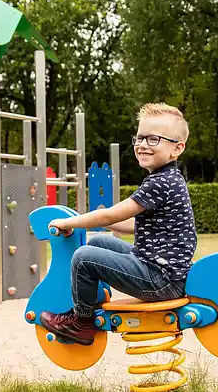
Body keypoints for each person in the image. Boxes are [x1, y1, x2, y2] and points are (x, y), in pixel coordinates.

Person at [40, 103, 197, 346]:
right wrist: (95, 221)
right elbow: (140, 225)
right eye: (140, 137)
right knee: (101, 241)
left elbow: (110, 217)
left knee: (84, 257)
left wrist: (68, 222)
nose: (143, 144)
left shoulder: (160, 182)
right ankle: (96, 295)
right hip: (163, 272)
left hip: (161, 280)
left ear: (177, 148)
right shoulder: (169, 178)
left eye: (154, 139)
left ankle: (82, 323)